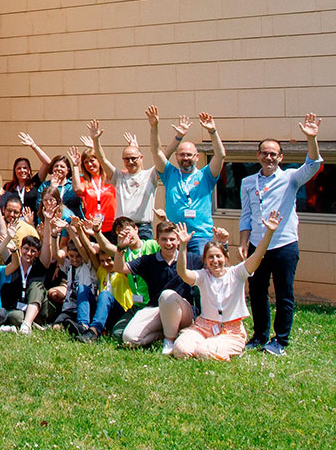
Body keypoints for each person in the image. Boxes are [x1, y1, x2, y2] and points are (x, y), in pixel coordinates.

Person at [238, 113, 323, 355]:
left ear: (281, 157)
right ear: (258, 156)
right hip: (257, 245)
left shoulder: (290, 178)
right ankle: (260, 335)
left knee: (285, 294)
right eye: (264, 153)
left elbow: (313, 165)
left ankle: (280, 340)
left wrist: (311, 139)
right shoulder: (247, 182)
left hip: (284, 245)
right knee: (256, 292)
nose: (269, 157)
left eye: (273, 154)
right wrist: (244, 242)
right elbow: (246, 216)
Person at [171, 211, 282, 361]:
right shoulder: (203, 276)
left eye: (218, 256)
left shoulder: (237, 273)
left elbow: (257, 256)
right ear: (205, 260)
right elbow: (183, 273)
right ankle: (206, 344)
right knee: (181, 350)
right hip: (203, 326)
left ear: (226, 258)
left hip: (231, 330)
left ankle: (216, 347)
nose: (215, 260)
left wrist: (269, 233)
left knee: (205, 352)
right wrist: (183, 245)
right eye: (210, 257)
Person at [111, 221, 213, 353]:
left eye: (172, 239)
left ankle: (169, 341)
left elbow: (214, 268)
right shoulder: (148, 261)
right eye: (164, 239)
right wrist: (120, 248)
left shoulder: (191, 258)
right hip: (156, 308)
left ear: (178, 241)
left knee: (167, 295)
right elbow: (119, 268)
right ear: (157, 241)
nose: (168, 243)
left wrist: (224, 243)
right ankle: (167, 334)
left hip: (183, 311)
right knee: (129, 338)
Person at [148, 107, 225, 253]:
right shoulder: (169, 173)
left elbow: (220, 155)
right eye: (182, 155)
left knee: (198, 274)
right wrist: (154, 127)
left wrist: (212, 132)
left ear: (196, 156)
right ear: (176, 156)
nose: (185, 158)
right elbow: (156, 151)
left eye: (189, 155)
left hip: (200, 236)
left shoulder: (206, 175)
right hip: (174, 236)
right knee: (175, 275)